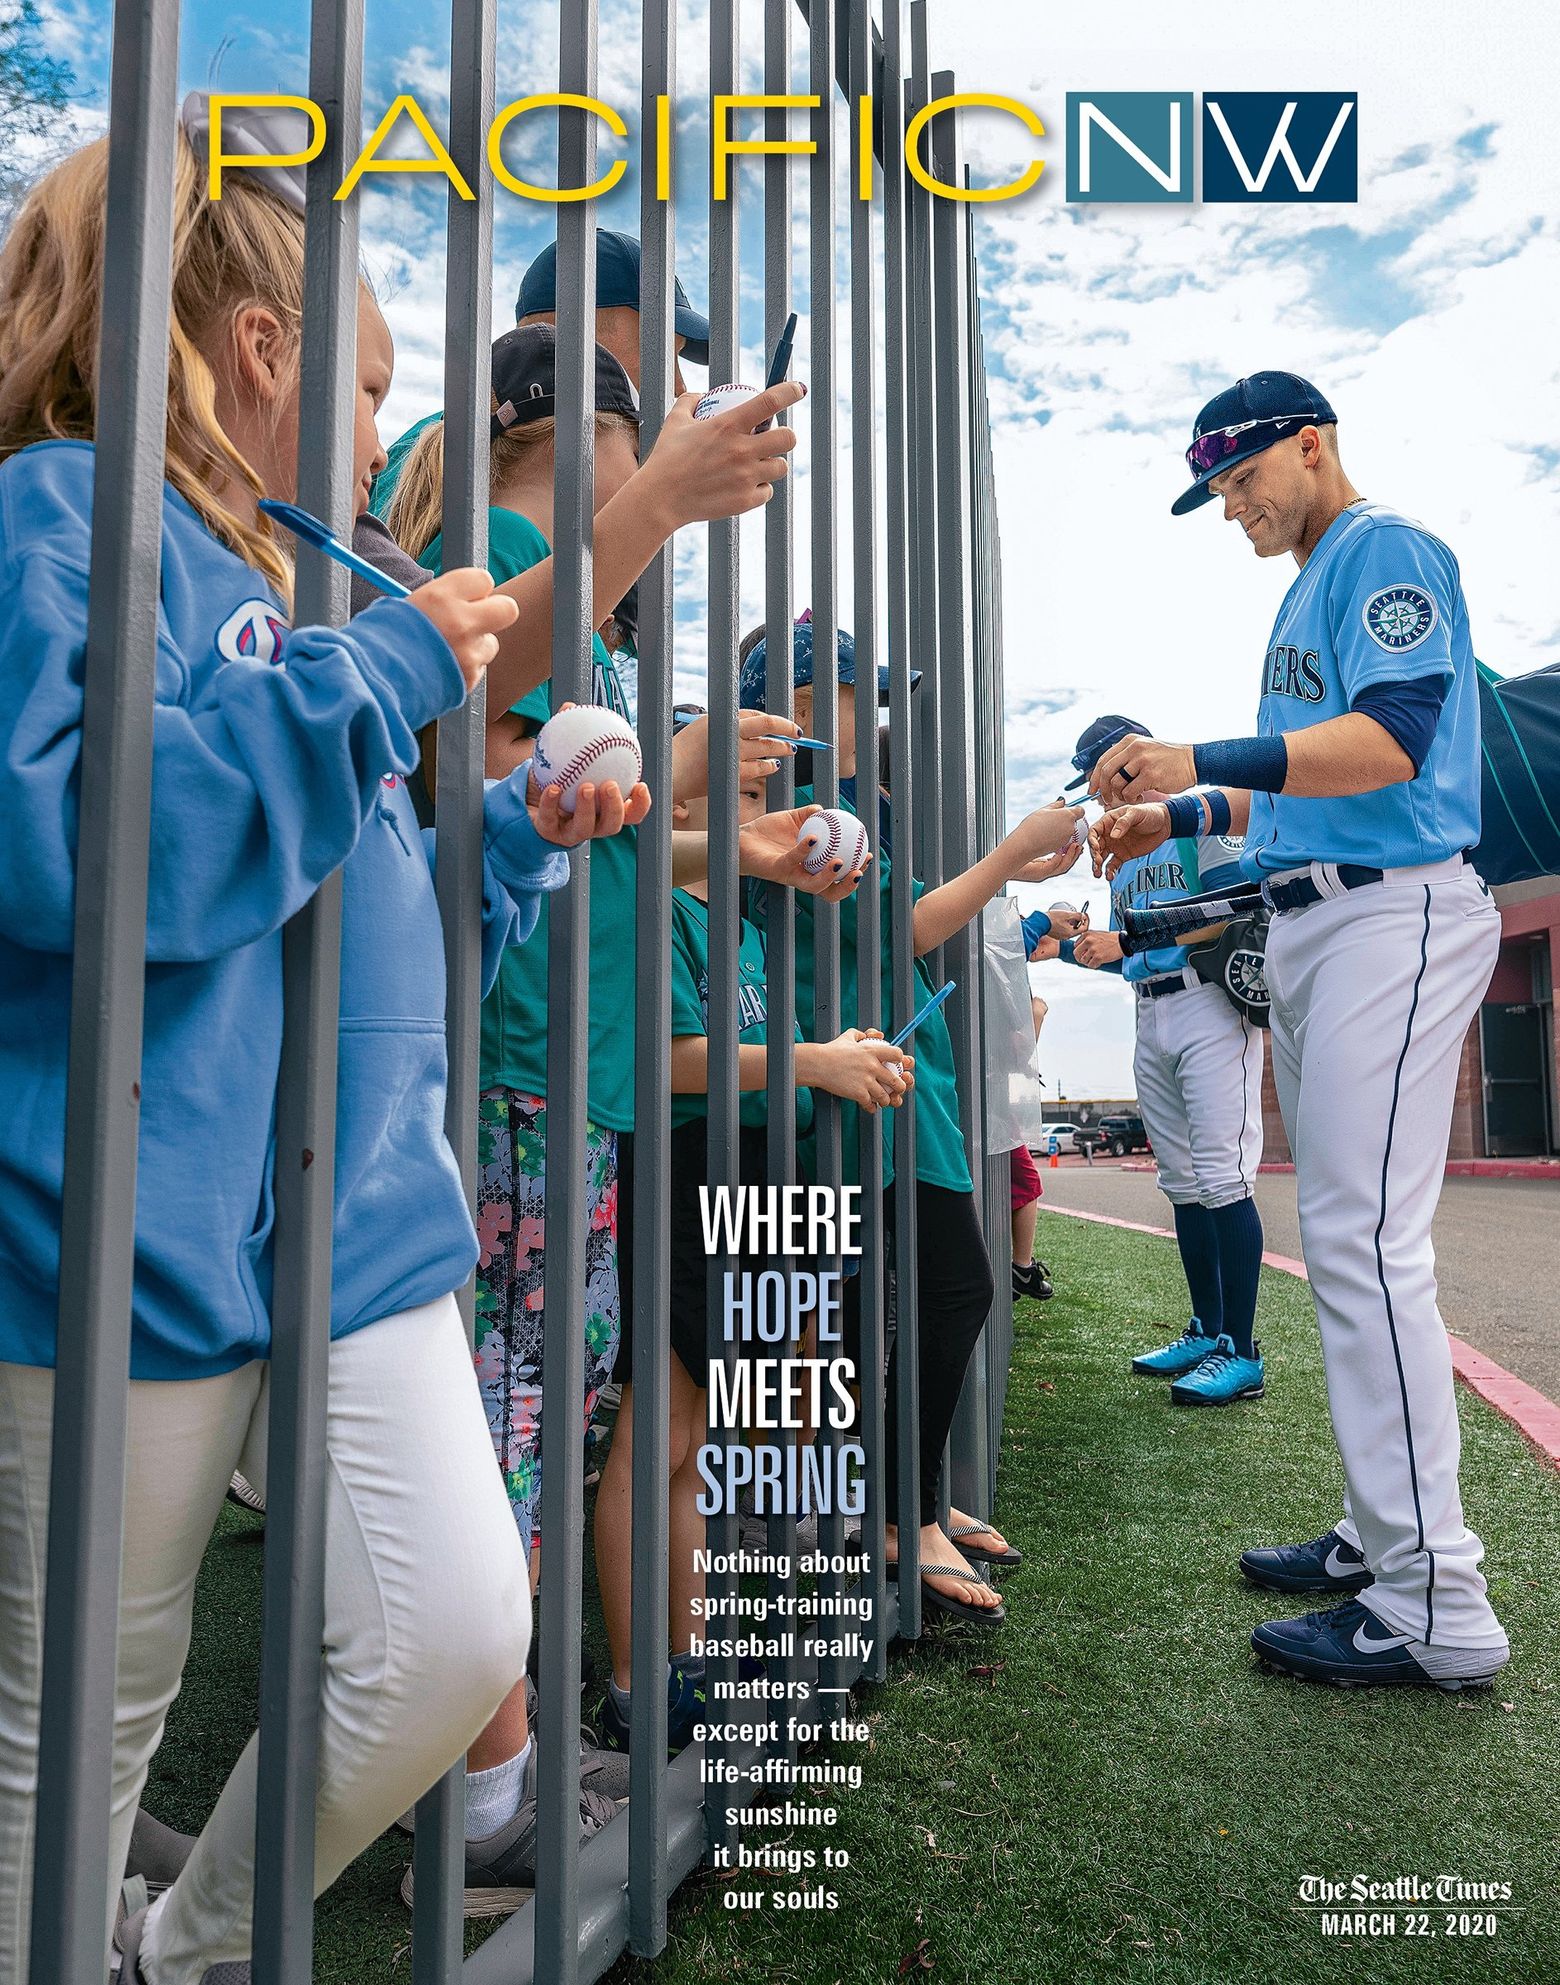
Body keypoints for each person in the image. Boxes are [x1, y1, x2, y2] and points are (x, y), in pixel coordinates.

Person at [0, 112, 561, 1982]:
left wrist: (520, 855)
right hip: (109, 1226)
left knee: (456, 1628)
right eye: (376, 382)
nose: (390, 434)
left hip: (326, 1217)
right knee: (78, 1727)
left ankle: (189, 1952)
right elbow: (81, 842)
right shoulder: (57, 510)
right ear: (262, 353)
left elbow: (366, 924)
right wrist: (386, 675)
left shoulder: (303, 580)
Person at [382, 326, 846, 1915]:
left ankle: (502, 1748)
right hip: (515, 1048)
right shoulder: (500, 547)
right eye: (629, 424)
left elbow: (606, 802)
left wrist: (742, 837)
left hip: (562, 1062)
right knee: (512, 1427)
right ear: (556, 427)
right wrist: (653, 506)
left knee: (546, 1418)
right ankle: (476, 1781)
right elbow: (490, 684)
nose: (645, 448)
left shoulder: (558, 559)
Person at [1090, 369, 1506, 1689]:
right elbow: (1302, 796)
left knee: (1367, 1245)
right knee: (1349, 1246)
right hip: (1328, 910)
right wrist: (1183, 816)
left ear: (1309, 444)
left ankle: (1435, 1600)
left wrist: (1196, 757)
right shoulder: (1305, 585)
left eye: (1237, 479)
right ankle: (1384, 1535)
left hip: (1397, 912)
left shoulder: (1384, 547)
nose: (1230, 508)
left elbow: (1392, 743)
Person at [741, 621, 1086, 1626]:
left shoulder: (845, 799)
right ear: (804, 699)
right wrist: (1012, 856)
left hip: (894, 1063)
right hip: (853, 1066)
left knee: (918, 1295)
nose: (876, 714)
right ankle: (900, 1513)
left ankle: (912, 1502)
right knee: (940, 1290)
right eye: (859, 694)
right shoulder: (802, 802)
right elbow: (901, 926)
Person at [592, 774, 912, 1757]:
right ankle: (645, 1685)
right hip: (680, 1174)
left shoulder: (736, 922)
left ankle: (700, 1652)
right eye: (737, 794)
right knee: (666, 1437)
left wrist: (827, 1055)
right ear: (676, 805)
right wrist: (815, 1062)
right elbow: (666, 1056)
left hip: (748, 1176)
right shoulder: (654, 903)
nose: (772, 813)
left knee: (730, 1431)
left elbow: (755, 1045)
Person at [1051, 713, 1269, 1407]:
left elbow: (1234, 905)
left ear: (1128, 765)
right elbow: (1128, 951)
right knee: (1182, 1178)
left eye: (1101, 778)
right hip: (1151, 1004)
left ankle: (1242, 1348)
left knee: (1223, 1174)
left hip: (1209, 1002)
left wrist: (1132, 936)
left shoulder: (1196, 816)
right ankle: (1206, 1329)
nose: (1097, 795)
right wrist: (1089, 949)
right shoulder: (1119, 845)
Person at [371, 226, 709, 519]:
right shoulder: (442, 455)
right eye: (665, 350)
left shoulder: (428, 443)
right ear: (580, 331)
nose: (680, 386)